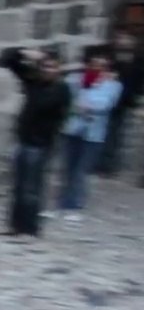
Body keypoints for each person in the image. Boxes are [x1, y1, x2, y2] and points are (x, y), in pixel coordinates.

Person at [0, 46, 71, 237]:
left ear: (59, 69)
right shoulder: (34, 82)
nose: (48, 70)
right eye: (45, 66)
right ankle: (16, 226)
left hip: (40, 144)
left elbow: (43, 105)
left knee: (32, 187)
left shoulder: (61, 90)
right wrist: (25, 53)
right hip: (23, 140)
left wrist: (32, 78)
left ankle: (31, 228)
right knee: (18, 186)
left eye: (52, 67)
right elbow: (6, 59)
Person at [56, 50, 121, 221]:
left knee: (81, 169)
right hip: (73, 129)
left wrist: (86, 102)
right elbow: (63, 87)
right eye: (93, 64)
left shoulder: (112, 85)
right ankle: (64, 199)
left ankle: (75, 202)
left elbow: (105, 104)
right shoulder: (77, 80)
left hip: (93, 134)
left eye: (101, 65)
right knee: (68, 166)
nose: (97, 68)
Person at [97, 30, 142, 176]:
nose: (123, 41)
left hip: (122, 102)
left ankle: (108, 165)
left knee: (115, 135)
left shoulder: (137, 60)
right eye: (121, 39)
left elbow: (137, 82)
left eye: (126, 39)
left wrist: (134, 97)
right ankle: (99, 162)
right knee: (102, 132)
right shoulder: (111, 57)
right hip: (106, 100)